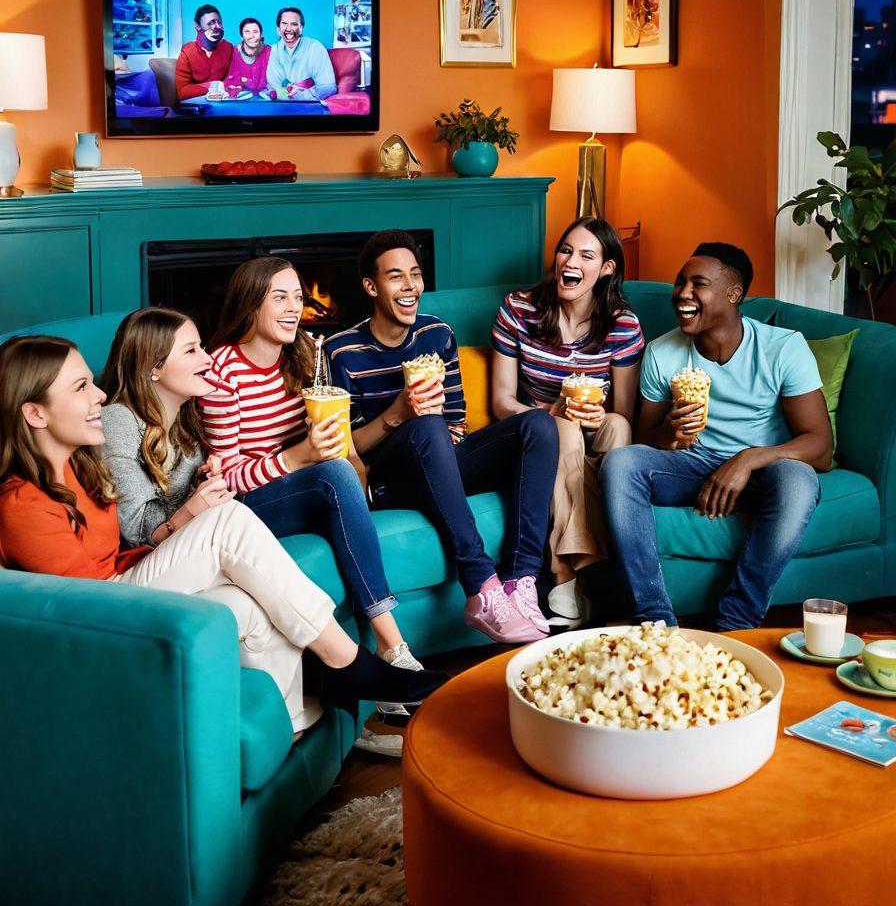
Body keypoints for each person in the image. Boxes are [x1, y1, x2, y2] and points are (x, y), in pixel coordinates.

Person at [0, 334, 447, 739]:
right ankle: (347, 662)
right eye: (81, 387)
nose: (99, 394)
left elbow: (122, 549)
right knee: (227, 521)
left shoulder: (79, 468)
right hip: (105, 621)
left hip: (123, 587)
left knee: (245, 605)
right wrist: (188, 523)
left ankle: (291, 729)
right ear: (34, 412)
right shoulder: (21, 504)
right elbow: (78, 612)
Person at [198, 256, 426, 751]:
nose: (293, 307)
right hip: (247, 508)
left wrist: (331, 444)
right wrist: (298, 456)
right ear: (250, 304)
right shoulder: (221, 372)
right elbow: (228, 479)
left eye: (298, 297)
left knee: (341, 483)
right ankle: (393, 647)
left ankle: (367, 697)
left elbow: (328, 436)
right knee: (334, 478)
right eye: (279, 297)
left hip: (301, 485)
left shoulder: (304, 352)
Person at [325, 229, 560, 644]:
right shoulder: (341, 351)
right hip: (388, 478)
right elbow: (348, 448)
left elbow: (455, 424)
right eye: (395, 276)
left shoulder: (437, 334)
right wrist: (399, 413)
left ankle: (520, 581)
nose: (409, 286)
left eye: (415, 274)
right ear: (371, 287)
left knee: (538, 425)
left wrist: (438, 448)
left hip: (440, 460)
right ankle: (480, 584)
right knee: (427, 425)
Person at [601, 242, 833, 631]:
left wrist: (748, 459)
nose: (683, 293)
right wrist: (670, 434)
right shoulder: (662, 352)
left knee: (799, 479)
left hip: (764, 473)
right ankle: (655, 622)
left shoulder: (782, 348)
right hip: (692, 464)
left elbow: (821, 446)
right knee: (620, 462)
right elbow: (643, 438)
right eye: (680, 283)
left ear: (733, 294)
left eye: (698, 284)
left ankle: (737, 621)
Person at [491, 217, 644, 626]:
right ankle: (583, 572)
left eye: (586, 256)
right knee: (561, 428)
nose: (570, 262)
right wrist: (552, 413)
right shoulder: (519, 308)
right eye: (565, 250)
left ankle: (571, 578)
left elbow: (624, 413)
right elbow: (502, 403)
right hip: (536, 433)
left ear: (606, 268)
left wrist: (599, 416)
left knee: (620, 428)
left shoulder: (622, 324)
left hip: (595, 430)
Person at [266, 7, 337, 101]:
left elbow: (328, 87)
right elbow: (271, 86)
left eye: (294, 24)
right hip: (278, 105)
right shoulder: (272, 51)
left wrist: (301, 95)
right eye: (284, 24)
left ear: (301, 28)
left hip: (309, 106)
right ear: (278, 29)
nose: (289, 29)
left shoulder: (315, 47)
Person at [174, 3, 234, 101]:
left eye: (219, 22)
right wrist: (213, 86)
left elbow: (235, 79)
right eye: (210, 23)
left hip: (225, 103)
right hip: (199, 106)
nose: (217, 27)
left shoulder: (228, 48)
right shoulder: (187, 52)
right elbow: (182, 92)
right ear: (197, 26)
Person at [225, 16, 271, 95]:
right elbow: (227, 81)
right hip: (239, 99)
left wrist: (244, 80)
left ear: (261, 35)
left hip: (265, 98)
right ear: (241, 36)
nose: (251, 36)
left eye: (255, 32)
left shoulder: (269, 52)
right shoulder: (232, 53)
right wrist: (245, 81)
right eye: (247, 32)